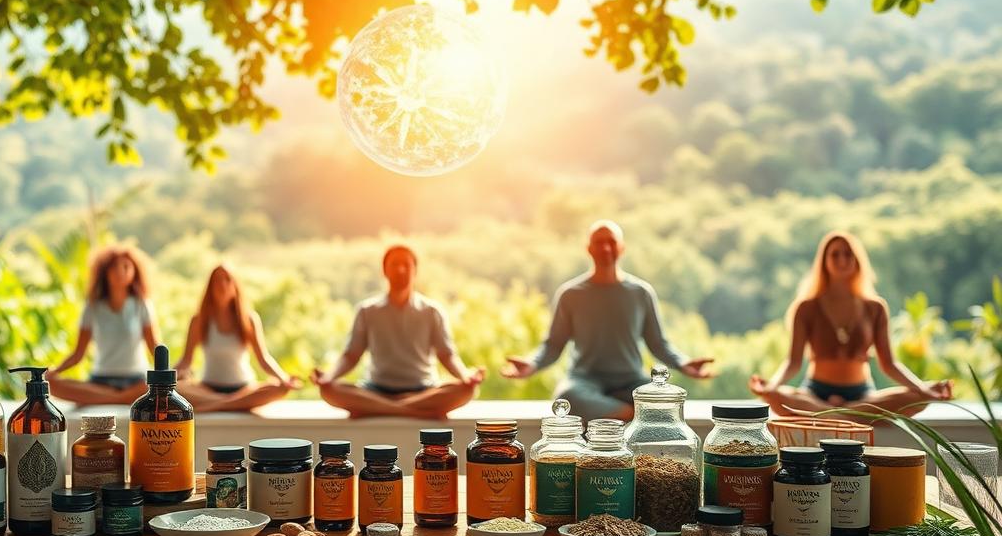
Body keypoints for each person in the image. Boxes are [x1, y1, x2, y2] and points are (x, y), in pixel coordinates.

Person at [502, 220, 714, 420]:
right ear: (589, 249)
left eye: (611, 242)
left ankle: (619, 415)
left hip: (631, 380)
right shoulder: (570, 295)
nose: (605, 248)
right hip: (584, 382)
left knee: (665, 400)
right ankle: (633, 415)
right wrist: (532, 364)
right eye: (599, 242)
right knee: (566, 398)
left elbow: (658, 343)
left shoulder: (641, 293)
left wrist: (683, 363)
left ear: (621, 248)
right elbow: (553, 345)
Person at [749, 231, 952, 422]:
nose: (842, 259)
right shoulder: (806, 308)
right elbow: (793, 363)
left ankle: (831, 416)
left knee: (916, 398)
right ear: (824, 261)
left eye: (848, 254)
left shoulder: (876, 308)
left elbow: (889, 364)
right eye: (835, 254)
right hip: (814, 394)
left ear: (857, 260)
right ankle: (851, 416)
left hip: (862, 396)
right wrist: (770, 387)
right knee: (775, 396)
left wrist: (924, 389)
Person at [313, 245, 483, 419]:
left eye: (406, 265)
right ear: (384, 271)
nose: (400, 270)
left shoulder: (432, 311)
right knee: (328, 390)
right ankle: (412, 411)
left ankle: (379, 409)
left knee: (466, 390)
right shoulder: (367, 311)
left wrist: (466, 376)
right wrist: (328, 377)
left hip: (423, 390)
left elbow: (447, 355)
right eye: (394, 265)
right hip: (376, 390)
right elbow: (351, 355)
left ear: (415, 271)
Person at [173, 265, 301, 412]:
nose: (222, 285)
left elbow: (263, 359)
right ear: (210, 287)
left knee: (279, 388)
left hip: (244, 389)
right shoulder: (199, 320)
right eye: (217, 281)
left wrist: (284, 379)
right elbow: (186, 361)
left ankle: (217, 405)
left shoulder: (249, 319)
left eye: (227, 280)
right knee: (176, 389)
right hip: (208, 390)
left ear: (235, 286)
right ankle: (232, 403)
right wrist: (163, 380)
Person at [48, 245, 159, 404]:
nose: (120, 272)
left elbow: (154, 347)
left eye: (126, 266)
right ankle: (122, 398)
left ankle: (110, 398)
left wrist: (169, 373)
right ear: (105, 272)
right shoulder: (92, 307)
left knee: (158, 388)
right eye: (114, 267)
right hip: (100, 382)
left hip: (137, 382)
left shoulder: (141, 304)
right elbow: (78, 354)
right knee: (51, 385)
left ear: (135, 272)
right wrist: (54, 372)